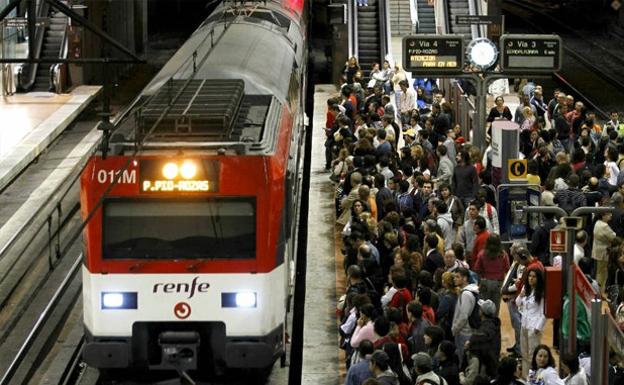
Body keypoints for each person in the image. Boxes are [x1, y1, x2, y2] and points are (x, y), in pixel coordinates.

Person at [516, 269, 546, 378]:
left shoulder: (541, 292)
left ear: (538, 279)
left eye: (534, 276)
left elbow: (544, 312)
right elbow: (518, 303)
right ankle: (525, 377)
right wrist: (521, 295)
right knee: (524, 353)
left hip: (534, 328)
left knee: (532, 355)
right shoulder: (525, 288)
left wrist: (538, 327)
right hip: (524, 325)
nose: (531, 278)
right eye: (529, 276)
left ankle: (533, 378)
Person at [473, 233, 509, 314]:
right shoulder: (503, 255)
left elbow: (477, 269)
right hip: (499, 283)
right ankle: (494, 325)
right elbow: (507, 268)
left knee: (484, 306)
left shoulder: (482, 254)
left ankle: (485, 323)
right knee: (496, 307)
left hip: (485, 282)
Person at [451, 268, 479, 364]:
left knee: (463, 360)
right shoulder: (468, 291)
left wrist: (454, 329)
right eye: (454, 277)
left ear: (465, 278)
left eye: (457, 277)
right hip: (465, 330)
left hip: (464, 332)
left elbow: (463, 316)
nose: (454, 279)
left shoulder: (466, 294)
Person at [593, 210, 616, 290]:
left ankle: (599, 292)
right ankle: (599, 292)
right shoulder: (604, 226)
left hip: (598, 250)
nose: (610, 215)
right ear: (603, 216)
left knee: (600, 272)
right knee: (601, 274)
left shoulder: (597, 222)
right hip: (603, 251)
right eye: (608, 214)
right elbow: (613, 236)